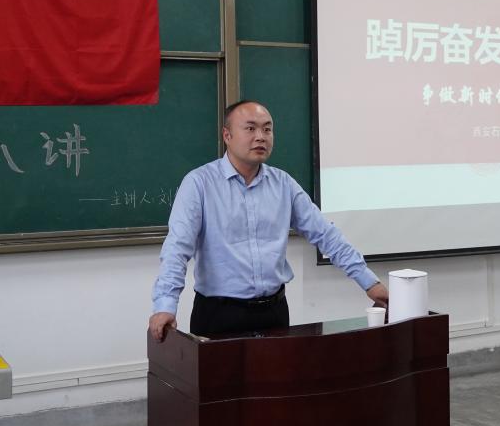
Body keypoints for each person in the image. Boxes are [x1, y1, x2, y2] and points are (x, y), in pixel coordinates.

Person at [149, 99, 388, 340]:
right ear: (227, 135)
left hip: (274, 313)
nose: (261, 137)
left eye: (267, 129)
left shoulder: (283, 184)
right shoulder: (199, 183)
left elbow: (326, 235)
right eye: (250, 128)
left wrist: (369, 282)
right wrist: (165, 305)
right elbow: (177, 248)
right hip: (219, 315)